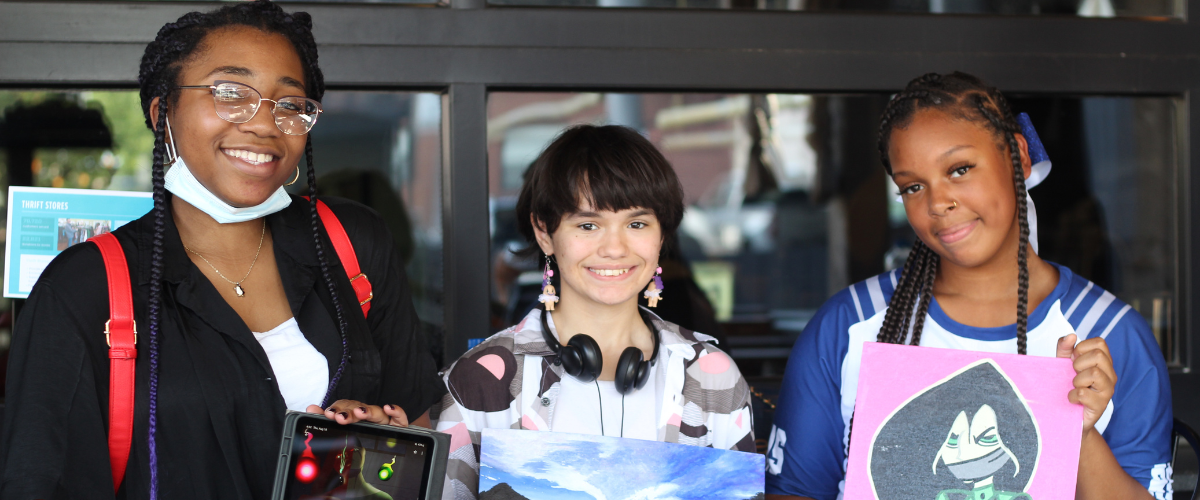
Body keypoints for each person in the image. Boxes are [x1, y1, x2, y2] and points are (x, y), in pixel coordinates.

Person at [0, 2, 446, 498]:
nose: (264, 124)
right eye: (231, 93)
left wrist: (374, 431)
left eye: (289, 103)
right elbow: (39, 479)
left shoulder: (351, 243)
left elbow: (414, 434)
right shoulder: (86, 288)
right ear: (161, 110)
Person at [764, 73, 1173, 500]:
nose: (938, 202)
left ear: (1017, 155)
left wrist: (1081, 434)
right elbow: (794, 490)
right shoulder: (850, 324)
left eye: (960, 169)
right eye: (914, 186)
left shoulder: (1108, 334)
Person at [431, 125, 756, 500]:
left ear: (662, 234)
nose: (615, 248)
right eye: (588, 224)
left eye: (636, 224)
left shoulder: (712, 376)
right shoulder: (482, 380)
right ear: (544, 231)